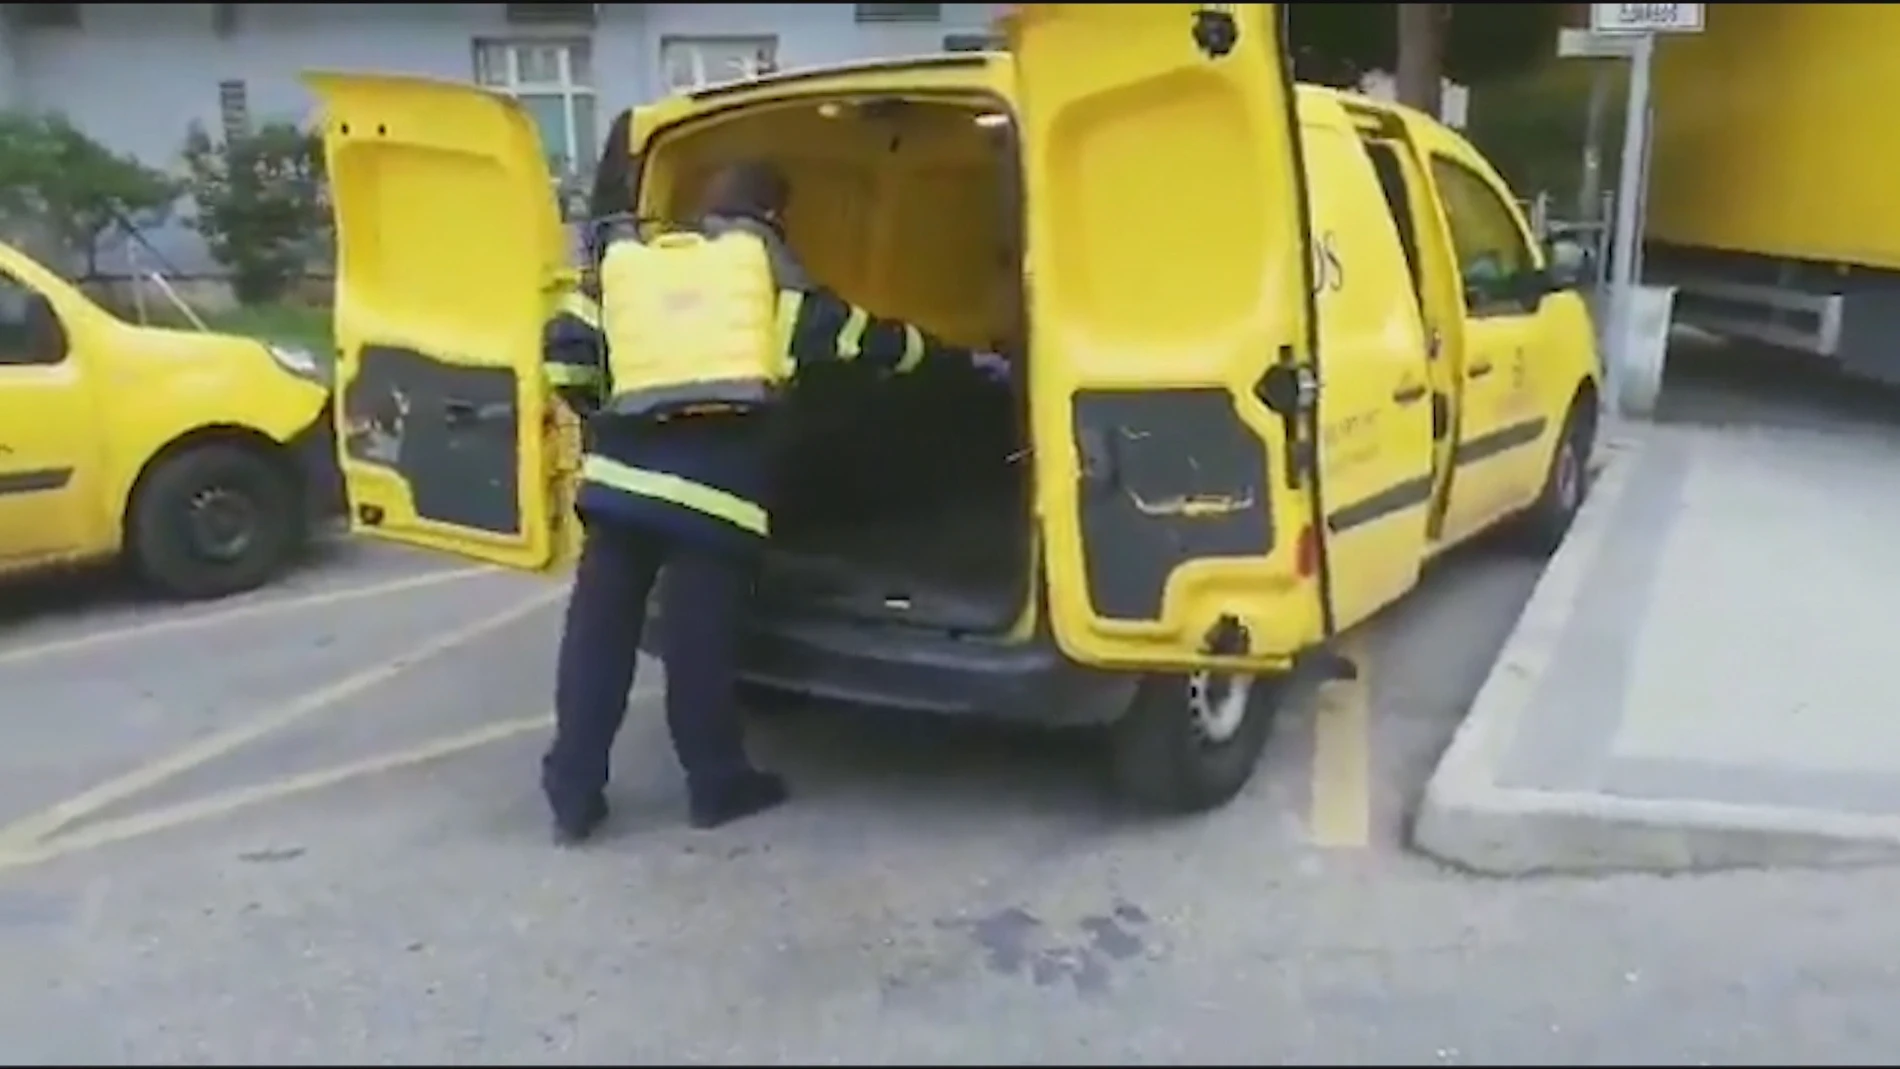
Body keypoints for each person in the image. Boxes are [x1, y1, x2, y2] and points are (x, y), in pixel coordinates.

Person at [538, 155, 1010, 844]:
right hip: (712, 500)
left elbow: (565, 356)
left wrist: (613, 413)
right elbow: (871, 341)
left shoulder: (628, 269)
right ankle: (717, 784)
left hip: (620, 489)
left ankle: (572, 793)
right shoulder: (769, 287)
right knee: (699, 648)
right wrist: (962, 361)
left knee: (596, 641)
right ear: (772, 217)